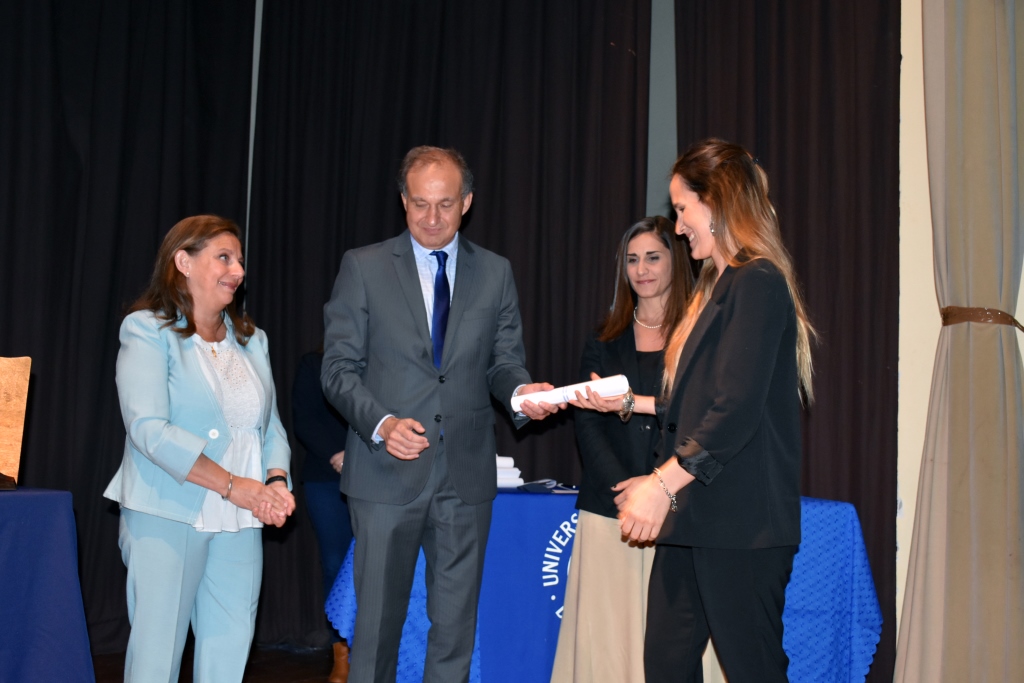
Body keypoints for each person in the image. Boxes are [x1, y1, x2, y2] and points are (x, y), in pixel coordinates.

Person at [321, 146, 561, 683]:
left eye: (446, 205)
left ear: (467, 203)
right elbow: (336, 369)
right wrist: (381, 425)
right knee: (377, 631)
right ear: (403, 201)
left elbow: (504, 363)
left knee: (455, 632)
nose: (432, 218)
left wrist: (523, 393)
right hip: (385, 475)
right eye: (420, 204)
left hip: (466, 475)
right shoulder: (363, 267)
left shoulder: (495, 272)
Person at [600, 139, 816, 681]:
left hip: (741, 525)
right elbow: (698, 402)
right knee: (667, 665)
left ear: (714, 204)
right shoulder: (716, 288)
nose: (677, 227)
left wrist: (661, 484)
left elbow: (736, 410)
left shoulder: (759, 282)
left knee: (753, 669)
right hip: (696, 517)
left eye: (682, 209)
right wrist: (626, 401)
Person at [104, 215, 296, 682]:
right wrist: (235, 486)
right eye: (223, 258)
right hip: (167, 512)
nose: (237, 270)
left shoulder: (252, 340)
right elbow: (149, 430)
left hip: (240, 519)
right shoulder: (147, 330)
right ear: (183, 262)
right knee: (157, 658)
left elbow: (269, 426)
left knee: (228, 655)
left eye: (240, 261)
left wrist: (274, 483)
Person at [551, 216, 693, 682]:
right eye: (632, 260)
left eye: (653, 257)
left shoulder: (698, 332)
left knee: (671, 639)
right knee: (607, 636)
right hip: (608, 504)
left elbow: (701, 413)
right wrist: (624, 489)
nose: (642, 269)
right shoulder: (603, 339)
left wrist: (653, 485)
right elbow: (587, 420)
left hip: (676, 501)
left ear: (676, 259)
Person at [292, 348, 353, 683]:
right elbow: (304, 416)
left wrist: (358, 454)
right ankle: (341, 652)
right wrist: (338, 454)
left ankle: (382, 649)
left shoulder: (389, 354)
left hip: (381, 475)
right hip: (326, 476)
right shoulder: (314, 362)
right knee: (336, 563)